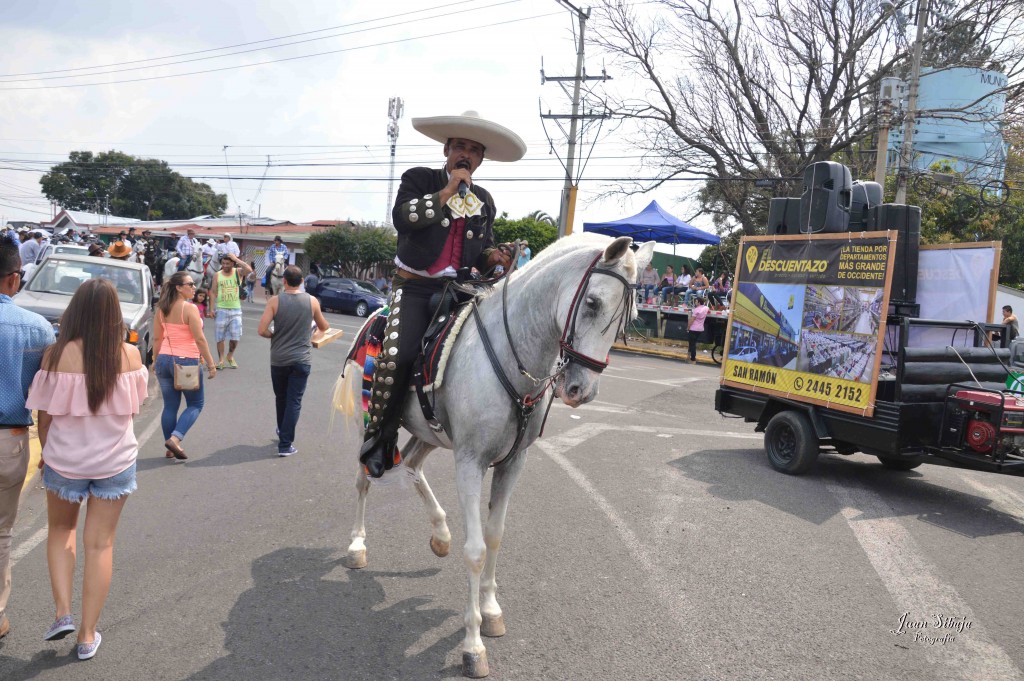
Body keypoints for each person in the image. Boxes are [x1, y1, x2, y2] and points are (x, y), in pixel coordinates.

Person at [359, 109, 524, 478]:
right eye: (460, 147)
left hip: (462, 290)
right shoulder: (419, 179)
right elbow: (404, 218)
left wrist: (495, 256)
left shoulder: (484, 198)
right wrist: (448, 191)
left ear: (481, 159)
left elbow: (479, 253)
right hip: (415, 287)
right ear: (447, 150)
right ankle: (380, 439)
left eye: (474, 150)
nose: (466, 154)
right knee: (399, 357)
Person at [25, 279, 146, 660]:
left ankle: (63, 613)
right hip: (115, 461)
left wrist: (48, 453)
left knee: (61, 531)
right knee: (100, 545)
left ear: (74, 310)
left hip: (65, 461)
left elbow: (45, 416)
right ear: (114, 314)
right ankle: (87, 635)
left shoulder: (55, 356)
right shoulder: (131, 356)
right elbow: (132, 411)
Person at [0, 236, 55, 640]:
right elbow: (47, 401)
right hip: (10, 442)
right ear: (14, 279)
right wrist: (49, 449)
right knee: (1, 530)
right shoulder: (37, 329)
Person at [258, 266, 330, 456]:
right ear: (302, 281)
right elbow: (324, 326)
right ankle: (285, 444)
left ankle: (283, 433)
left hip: (279, 359)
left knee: (281, 398)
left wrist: (275, 335)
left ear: (284, 281)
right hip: (301, 359)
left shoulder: (275, 301)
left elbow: (262, 330)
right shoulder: (312, 301)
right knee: (294, 401)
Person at [152, 271, 218, 460]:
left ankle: (169, 446)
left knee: (170, 406)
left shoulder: (161, 309)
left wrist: (155, 361)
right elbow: (199, 338)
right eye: (190, 284)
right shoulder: (190, 309)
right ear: (178, 288)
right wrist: (212, 364)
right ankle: (175, 439)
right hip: (186, 360)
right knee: (196, 404)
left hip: (164, 358)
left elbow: (157, 338)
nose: (194, 287)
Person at [208, 253, 253, 369]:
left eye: (228, 263)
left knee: (235, 337)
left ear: (232, 263)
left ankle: (230, 355)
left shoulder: (238, 272)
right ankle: (221, 360)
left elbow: (249, 269)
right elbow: (213, 292)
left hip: (235, 310)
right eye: (223, 263)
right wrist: (211, 308)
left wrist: (235, 258)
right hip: (221, 309)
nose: (225, 265)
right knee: (220, 337)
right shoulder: (217, 275)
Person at [687, 296, 710, 362]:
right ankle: (690, 357)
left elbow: (692, 320)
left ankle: (693, 358)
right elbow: (709, 310)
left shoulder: (696, 310)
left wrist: (688, 327)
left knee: (692, 343)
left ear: (699, 302)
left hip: (693, 328)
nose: (695, 302)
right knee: (693, 342)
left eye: (696, 301)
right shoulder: (706, 308)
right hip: (700, 329)